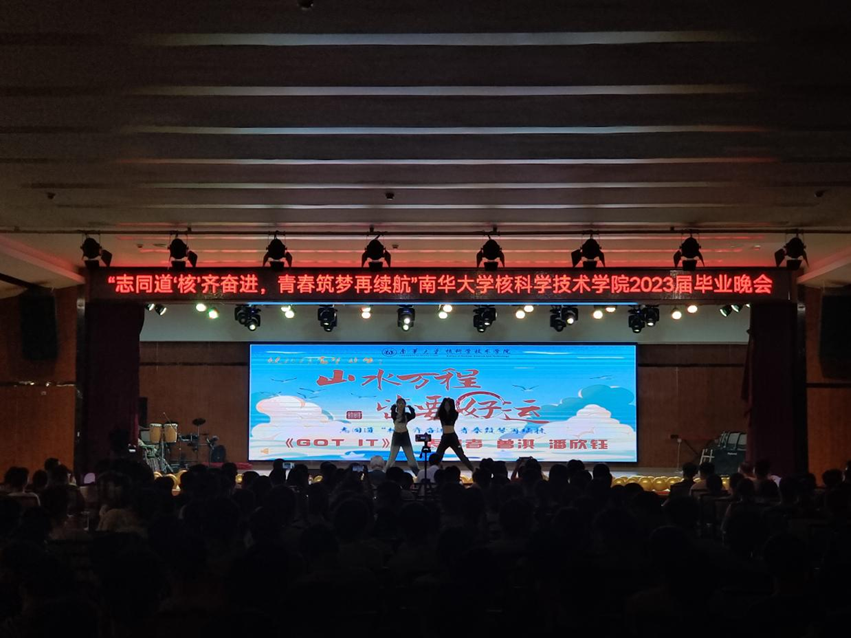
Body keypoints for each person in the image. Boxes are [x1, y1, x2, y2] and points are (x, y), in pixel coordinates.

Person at [432, 397, 475, 472]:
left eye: (448, 405)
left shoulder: (454, 413)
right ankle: (436, 472)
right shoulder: (442, 413)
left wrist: (448, 411)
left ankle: (473, 470)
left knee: (461, 455)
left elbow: (449, 420)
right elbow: (437, 416)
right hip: (444, 437)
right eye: (445, 405)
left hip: (452, 437)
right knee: (438, 456)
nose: (446, 407)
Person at [385, 398, 419, 473]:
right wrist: (393, 407)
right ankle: (386, 473)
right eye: (399, 403)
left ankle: (417, 473)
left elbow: (413, 416)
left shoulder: (406, 415)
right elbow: (393, 412)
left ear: (405, 405)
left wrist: (411, 409)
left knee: (410, 456)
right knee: (392, 456)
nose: (401, 405)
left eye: (402, 403)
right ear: (397, 404)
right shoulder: (395, 415)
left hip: (405, 435)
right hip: (396, 435)